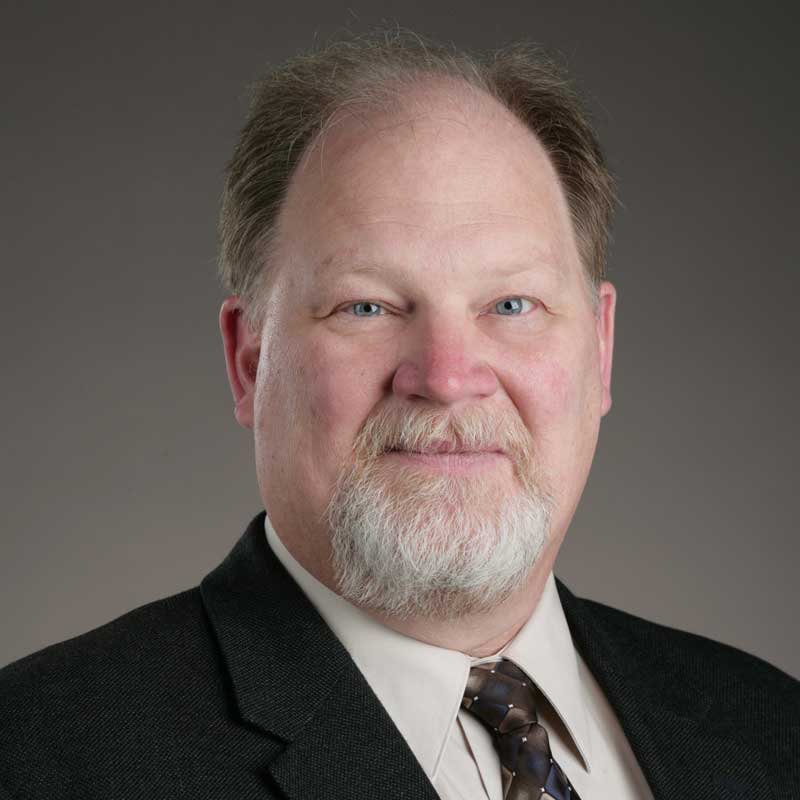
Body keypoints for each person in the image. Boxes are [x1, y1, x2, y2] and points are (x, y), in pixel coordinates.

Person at [0, 27, 797, 800]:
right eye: (368, 306)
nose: (447, 377)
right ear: (250, 361)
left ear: (601, 349)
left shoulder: (771, 731)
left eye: (511, 303)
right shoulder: (40, 757)